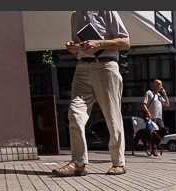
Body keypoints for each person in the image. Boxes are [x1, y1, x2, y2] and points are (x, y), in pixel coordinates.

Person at [53, 11, 130, 177]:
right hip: (82, 67)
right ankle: (78, 162)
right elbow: (77, 46)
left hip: (106, 66)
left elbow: (125, 42)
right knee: (74, 113)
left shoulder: (107, 10)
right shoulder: (75, 15)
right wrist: (73, 47)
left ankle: (118, 163)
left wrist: (99, 44)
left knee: (112, 117)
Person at [142, 79, 169, 157]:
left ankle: (155, 147)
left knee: (162, 133)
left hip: (159, 119)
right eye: (160, 85)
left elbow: (167, 104)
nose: (161, 87)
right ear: (155, 85)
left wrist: (165, 94)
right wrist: (148, 112)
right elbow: (143, 104)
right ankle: (154, 148)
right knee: (152, 135)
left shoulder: (159, 96)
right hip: (152, 119)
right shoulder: (149, 93)